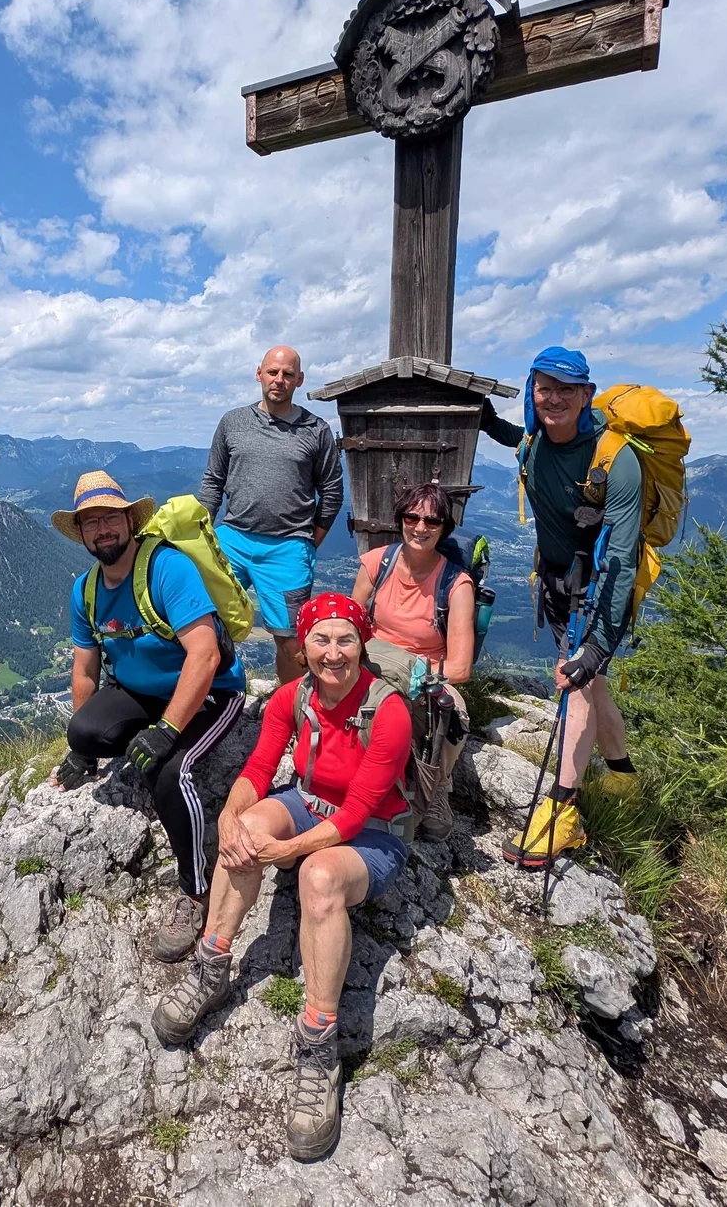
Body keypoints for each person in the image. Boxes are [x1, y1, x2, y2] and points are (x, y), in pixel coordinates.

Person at [150, 593, 412, 1163]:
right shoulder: (293, 699)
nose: (333, 653)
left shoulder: (386, 711)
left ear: (363, 644)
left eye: (346, 640)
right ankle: (212, 965)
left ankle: (319, 1043)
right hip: (309, 802)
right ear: (303, 647)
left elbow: (357, 815)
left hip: (375, 836)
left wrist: (287, 850)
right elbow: (259, 768)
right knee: (245, 830)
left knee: (318, 876)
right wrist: (232, 818)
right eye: (321, 640)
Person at [51, 471, 249, 963]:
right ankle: (123, 740)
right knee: (85, 730)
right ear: (82, 534)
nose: (102, 530)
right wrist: (82, 753)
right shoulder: (87, 590)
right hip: (141, 693)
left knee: (168, 774)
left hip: (210, 695)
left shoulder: (167, 569)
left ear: (129, 520)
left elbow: (203, 657)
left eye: (109, 518)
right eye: (91, 523)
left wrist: (167, 732)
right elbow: (85, 669)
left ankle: (194, 890)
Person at [503, 346, 641, 870]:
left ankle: (564, 813)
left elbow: (623, 559)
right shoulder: (534, 441)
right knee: (594, 683)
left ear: (587, 394)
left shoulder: (615, 458)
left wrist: (598, 643)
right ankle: (624, 776)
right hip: (558, 585)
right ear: (532, 392)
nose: (553, 398)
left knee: (580, 679)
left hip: (602, 593)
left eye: (567, 389)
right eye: (544, 388)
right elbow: (512, 436)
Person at [198, 346, 345, 685]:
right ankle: (206, 700)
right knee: (202, 624)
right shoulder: (233, 422)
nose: (279, 380)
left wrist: (307, 542)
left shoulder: (316, 430)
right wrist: (201, 535)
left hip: (288, 547)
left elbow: (332, 493)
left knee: (291, 642)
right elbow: (212, 483)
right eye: (273, 372)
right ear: (258, 373)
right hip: (231, 538)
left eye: (288, 374)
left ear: (299, 380)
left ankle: (290, 710)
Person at [350, 479, 476, 839]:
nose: (420, 527)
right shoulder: (377, 563)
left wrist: (412, 673)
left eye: (432, 521)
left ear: (443, 528)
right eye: (412, 517)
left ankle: (434, 785)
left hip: (426, 674)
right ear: (401, 519)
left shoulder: (456, 584)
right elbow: (350, 626)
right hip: (373, 664)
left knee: (451, 710)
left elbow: (461, 668)